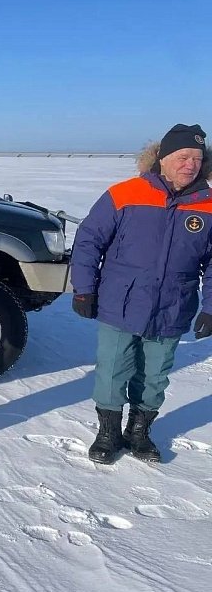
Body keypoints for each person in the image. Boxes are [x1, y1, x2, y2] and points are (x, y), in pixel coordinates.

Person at [71, 123, 211, 464]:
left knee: (155, 375)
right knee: (113, 371)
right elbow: (89, 240)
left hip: (173, 308)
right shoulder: (125, 193)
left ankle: (139, 431)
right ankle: (108, 432)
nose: (190, 164)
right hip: (122, 302)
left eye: (196, 158)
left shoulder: (207, 206)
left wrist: (210, 308)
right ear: (162, 158)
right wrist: (84, 288)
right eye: (182, 156)